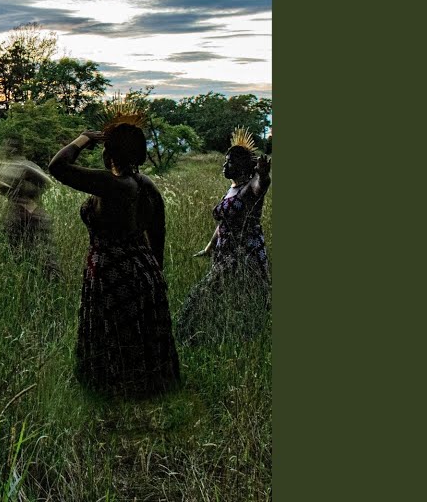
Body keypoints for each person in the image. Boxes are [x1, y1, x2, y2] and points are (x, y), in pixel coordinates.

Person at [49, 103, 181, 398]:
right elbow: (157, 234)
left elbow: (57, 167)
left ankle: (117, 389)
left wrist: (83, 139)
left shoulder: (113, 184)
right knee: (136, 330)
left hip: (113, 270)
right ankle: (144, 387)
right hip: (143, 268)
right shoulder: (146, 184)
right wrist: (156, 275)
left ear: (109, 153)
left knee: (117, 332)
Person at [176, 128, 272, 345]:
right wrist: (209, 248)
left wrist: (264, 175)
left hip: (245, 254)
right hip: (226, 253)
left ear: (241, 166)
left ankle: (244, 341)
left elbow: (261, 186)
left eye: (229, 162)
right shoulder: (232, 189)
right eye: (225, 161)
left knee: (243, 298)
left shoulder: (249, 187)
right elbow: (224, 224)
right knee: (216, 298)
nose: (224, 166)